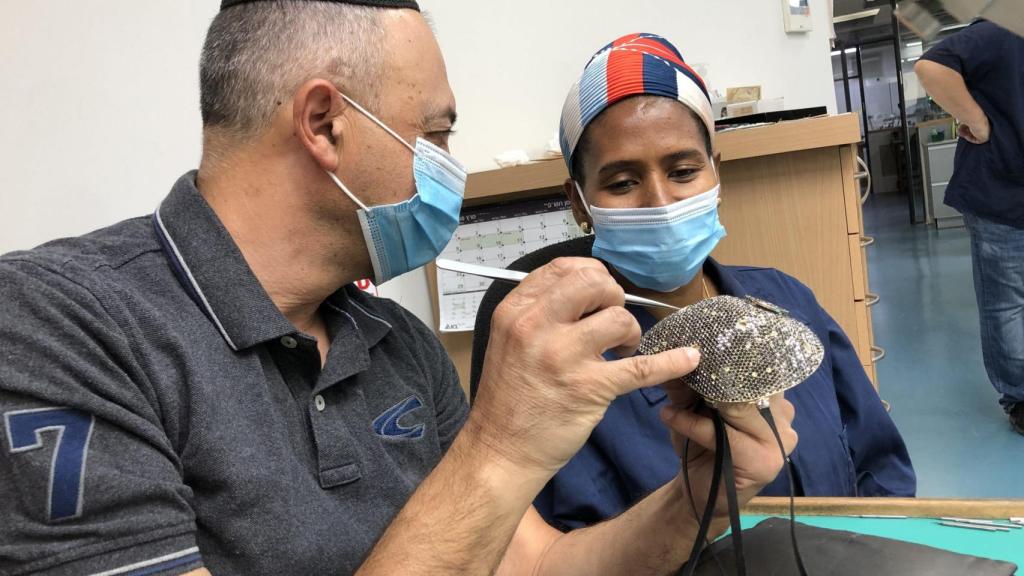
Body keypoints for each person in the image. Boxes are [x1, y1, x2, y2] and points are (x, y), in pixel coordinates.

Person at [0, 3, 797, 575]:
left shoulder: (396, 342)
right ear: (324, 123)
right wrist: (500, 449)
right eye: (437, 132)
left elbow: (536, 564)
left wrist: (697, 499)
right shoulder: (55, 324)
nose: (452, 163)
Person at [470, 33, 915, 531]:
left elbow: (882, 470)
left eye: (683, 171)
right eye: (622, 183)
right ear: (579, 202)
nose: (661, 202)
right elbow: (555, 545)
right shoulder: (560, 363)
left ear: (715, 174)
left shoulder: (787, 300)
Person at [915, 20, 1024, 435]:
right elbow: (931, 66)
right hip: (1000, 189)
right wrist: (976, 120)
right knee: (1007, 302)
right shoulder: (1003, 30)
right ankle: (1020, 396)